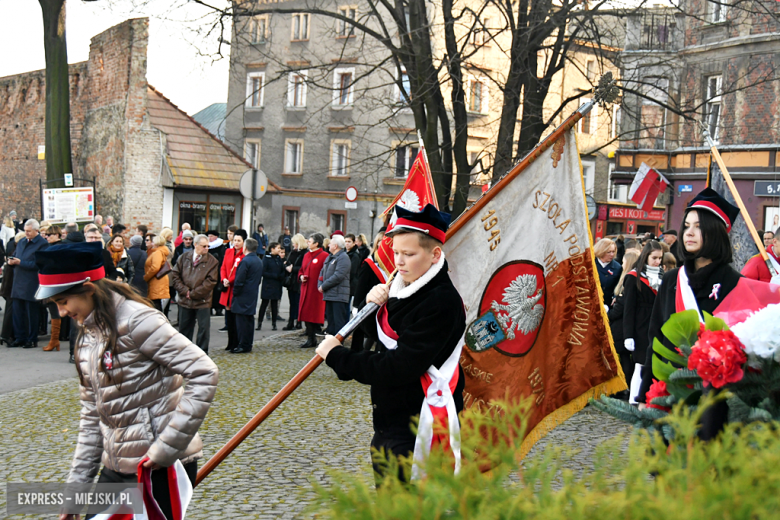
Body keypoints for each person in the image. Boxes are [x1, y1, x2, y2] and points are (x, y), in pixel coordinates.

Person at [40, 243, 218, 520]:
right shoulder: (87, 335)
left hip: (158, 466)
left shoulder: (139, 320)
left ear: (88, 288)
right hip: (117, 464)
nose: (62, 312)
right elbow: (91, 418)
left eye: (63, 302)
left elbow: (204, 371)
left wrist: (167, 447)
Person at [315, 204, 466, 485]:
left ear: (435, 255)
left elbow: (399, 366)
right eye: (396, 252)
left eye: (408, 254)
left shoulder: (441, 300)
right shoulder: (403, 288)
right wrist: (369, 304)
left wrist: (338, 357)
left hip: (419, 426)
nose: (398, 261)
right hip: (390, 422)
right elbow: (382, 334)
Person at [637, 188, 742, 440]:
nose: (689, 233)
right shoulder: (673, 279)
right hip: (670, 391)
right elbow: (657, 338)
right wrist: (644, 393)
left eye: (698, 226)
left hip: (714, 398)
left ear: (715, 231)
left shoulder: (735, 282)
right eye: (686, 226)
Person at [622, 241, 664, 403]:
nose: (657, 262)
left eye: (660, 258)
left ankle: (653, 399)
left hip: (659, 325)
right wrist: (628, 335)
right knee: (640, 365)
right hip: (640, 326)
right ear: (646, 256)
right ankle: (634, 400)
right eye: (654, 258)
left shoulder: (663, 275)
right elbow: (629, 309)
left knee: (655, 364)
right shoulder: (633, 277)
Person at [170, 234, 219, 354]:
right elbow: (175, 275)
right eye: (204, 246)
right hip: (185, 300)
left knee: (203, 330)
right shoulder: (184, 257)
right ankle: (183, 353)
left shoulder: (212, 261)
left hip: (202, 301)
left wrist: (193, 294)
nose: (206, 249)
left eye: (208, 246)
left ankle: (201, 354)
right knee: (184, 329)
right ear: (195, 245)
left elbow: (211, 281)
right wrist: (184, 291)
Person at [7, 219, 49, 349]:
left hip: (32, 281)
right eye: (25, 231)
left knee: (31, 313)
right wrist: (11, 261)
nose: (27, 233)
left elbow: (39, 264)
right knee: (18, 312)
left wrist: (20, 263)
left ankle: (31, 338)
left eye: (29, 231)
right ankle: (20, 337)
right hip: (18, 281)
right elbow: (15, 255)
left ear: (37, 231)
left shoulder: (42, 244)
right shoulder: (22, 242)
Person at [607, 249, 640, 400]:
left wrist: (607, 313)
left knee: (624, 358)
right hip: (624, 324)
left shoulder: (629, 280)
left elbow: (621, 307)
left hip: (620, 326)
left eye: (623, 262)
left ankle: (624, 387)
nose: (621, 264)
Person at [230, 238, 263, 354]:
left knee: (242, 322)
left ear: (245, 247)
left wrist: (236, 292)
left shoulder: (245, 261)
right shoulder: (259, 261)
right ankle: (248, 343)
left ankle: (243, 344)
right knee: (249, 320)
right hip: (252, 293)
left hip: (242, 295)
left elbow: (239, 280)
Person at [298, 233, 328, 348]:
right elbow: (301, 270)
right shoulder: (306, 255)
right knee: (305, 313)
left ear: (316, 244)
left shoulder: (324, 256)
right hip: (305, 288)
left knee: (313, 314)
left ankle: (313, 338)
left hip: (316, 291)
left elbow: (326, 273)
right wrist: (301, 276)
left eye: (310, 241)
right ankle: (310, 338)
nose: (307, 243)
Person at [219, 229, 247, 352]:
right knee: (228, 317)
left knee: (236, 318)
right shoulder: (228, 252)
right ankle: (230, 342)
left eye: (239, 241)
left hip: (235, 287)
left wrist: (230, 280)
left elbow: (240, 272)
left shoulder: (244, 255)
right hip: (227, 287)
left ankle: (236, 342)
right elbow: (223, 267)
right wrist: (224, 278)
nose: (236, 243)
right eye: (235, 240)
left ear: (243, 242)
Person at [319, 234, 351, 336]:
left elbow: (338, 276)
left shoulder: (343, 258)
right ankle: (330, 343)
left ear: (335, 246)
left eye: (330, 244)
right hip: (330, 294)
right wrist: (320, 284)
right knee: (331, 322)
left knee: (338, 323)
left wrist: (323, 286)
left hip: (338, 296)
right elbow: (322, 272)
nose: (328, 245)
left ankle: (338, 346)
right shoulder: (330, 257)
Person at [0, 231, 24, 346]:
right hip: (11, 286)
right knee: (10, 311)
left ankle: (7, 335)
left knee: (10, 310)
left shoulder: (13, 251)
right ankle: (6, 335)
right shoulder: (16, 253)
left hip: (8, 285)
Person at [257, 242, 284, 331]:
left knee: (274, 304)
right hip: (268, 285)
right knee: (264, 304)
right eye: (278, 248)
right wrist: (274, 276)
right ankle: (259, 323)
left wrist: (282, 275)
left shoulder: (278, 258)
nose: (279, 250)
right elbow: (263, 272)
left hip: (277, 285)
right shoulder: (266, 259)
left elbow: (282, 269)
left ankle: (274, 323)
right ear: (272, 249)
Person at [283, 234, 306, 330]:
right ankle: (291, 322)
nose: (293, 245)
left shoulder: (304, 253)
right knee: (292, 302)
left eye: (294, 243)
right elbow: (288, 262)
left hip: (298, 280)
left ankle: (298, 322)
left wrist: (293, 269)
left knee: (298, 302)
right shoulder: (293, 252)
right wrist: (286, 266)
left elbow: (303, 267)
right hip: (291, 281)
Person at [144, 234, 171, 312]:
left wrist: (146, 276)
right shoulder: (160, 251)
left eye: (153, 242)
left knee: (156, 306)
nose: (151, 243)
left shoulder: (157, 252)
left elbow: (155, 267)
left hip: (157, 281)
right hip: (159, 280)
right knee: (157, 305)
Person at [594, 238, 622, 306]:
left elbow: (618, 287)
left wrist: (615, 297)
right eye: (608, 252)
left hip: (606, 304)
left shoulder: (617, 267)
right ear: (601, 251)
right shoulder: (591, 263)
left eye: (613, 251)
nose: (612, 254)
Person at [206, 230, 225, 316]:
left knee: (218, 291)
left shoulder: (221, 246)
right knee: (208, 291)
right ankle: (208, 308)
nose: (210, 238)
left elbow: (223, 259)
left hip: (218, 271)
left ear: (216, 237)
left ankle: (218, 309)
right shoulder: (206, 246)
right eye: (208, 236)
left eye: (211, 236)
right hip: (207, 272)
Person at [345, 234, 362, 305]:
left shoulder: (355, 255)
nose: (347, 244)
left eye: (349, 242)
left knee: (346, 306)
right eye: (345, 241)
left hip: (350, 284)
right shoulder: (345, 252)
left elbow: (352, 271)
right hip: (346, 283)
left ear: (354, 243)